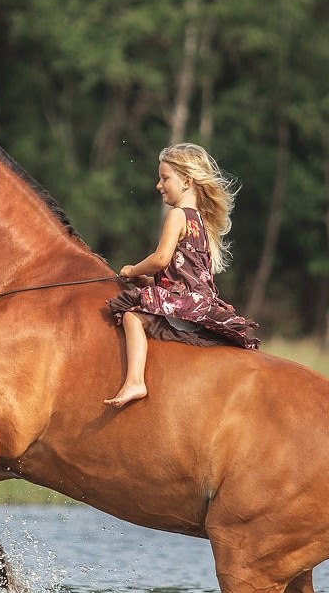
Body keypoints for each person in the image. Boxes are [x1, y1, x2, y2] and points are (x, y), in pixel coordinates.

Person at [104, 143, 260, 408]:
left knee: (131, 318)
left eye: (165, 178)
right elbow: (185, 272)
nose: (158, 185)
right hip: (199, 301)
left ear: (187, 181)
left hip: (183, 303)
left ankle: (135, 382)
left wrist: (133, 270)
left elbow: (160, 259)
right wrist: (150, 282)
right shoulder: (200, 222)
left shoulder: (177, 216)